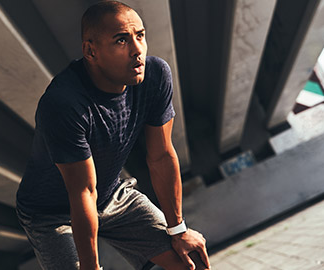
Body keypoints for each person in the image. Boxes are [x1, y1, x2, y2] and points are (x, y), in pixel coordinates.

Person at [15, 1, 211, 269]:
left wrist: (178, 230)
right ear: (90, 51)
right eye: (121, 41)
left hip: (113, 196)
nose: (137, 51)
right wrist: (90, 266)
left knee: (191, 262)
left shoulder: (155, 75)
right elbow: (83, 191)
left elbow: (162, 156)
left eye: (140, 36)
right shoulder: (64, 103)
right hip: (52, 215)